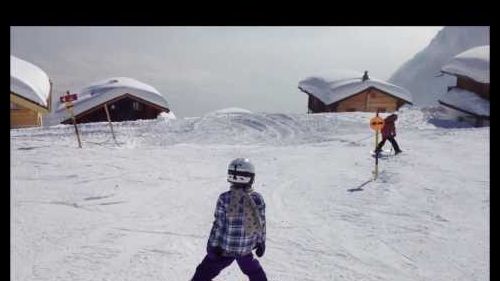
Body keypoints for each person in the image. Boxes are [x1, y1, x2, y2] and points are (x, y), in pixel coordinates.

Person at [191, 158, 267, 281]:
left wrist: (212, 245)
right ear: (251, 178)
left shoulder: (225, 198)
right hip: (245, 249)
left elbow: (219, 225)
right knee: (255, 272)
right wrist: (261, 242)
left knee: (205, 271)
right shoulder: (257, 198)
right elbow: (261, 223)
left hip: (225, 248)